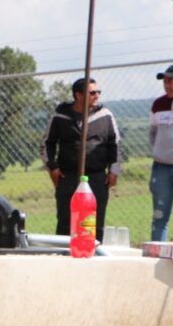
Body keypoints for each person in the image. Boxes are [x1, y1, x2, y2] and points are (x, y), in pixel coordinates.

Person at [40, 77, 121, 242]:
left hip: (97, 177)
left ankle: (94, 254)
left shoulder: (105, 115)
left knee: (95, 222)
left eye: (98, 92)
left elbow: (116, 144)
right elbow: (46, 144)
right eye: (92, 92)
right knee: (65, 221)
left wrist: (114, 170)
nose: (96, 95)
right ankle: (64, 256)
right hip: (68, 176)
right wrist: (53, 167)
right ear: (78, 95)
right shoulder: (60, 116)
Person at [149, 64, 173, 241]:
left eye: (171, 81)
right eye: (165, 81)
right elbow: (152, 133)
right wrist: (158, 152)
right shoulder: (158, 104)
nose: (167, 85)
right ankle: (157, 258)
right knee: (159, 216)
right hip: (161, 168)